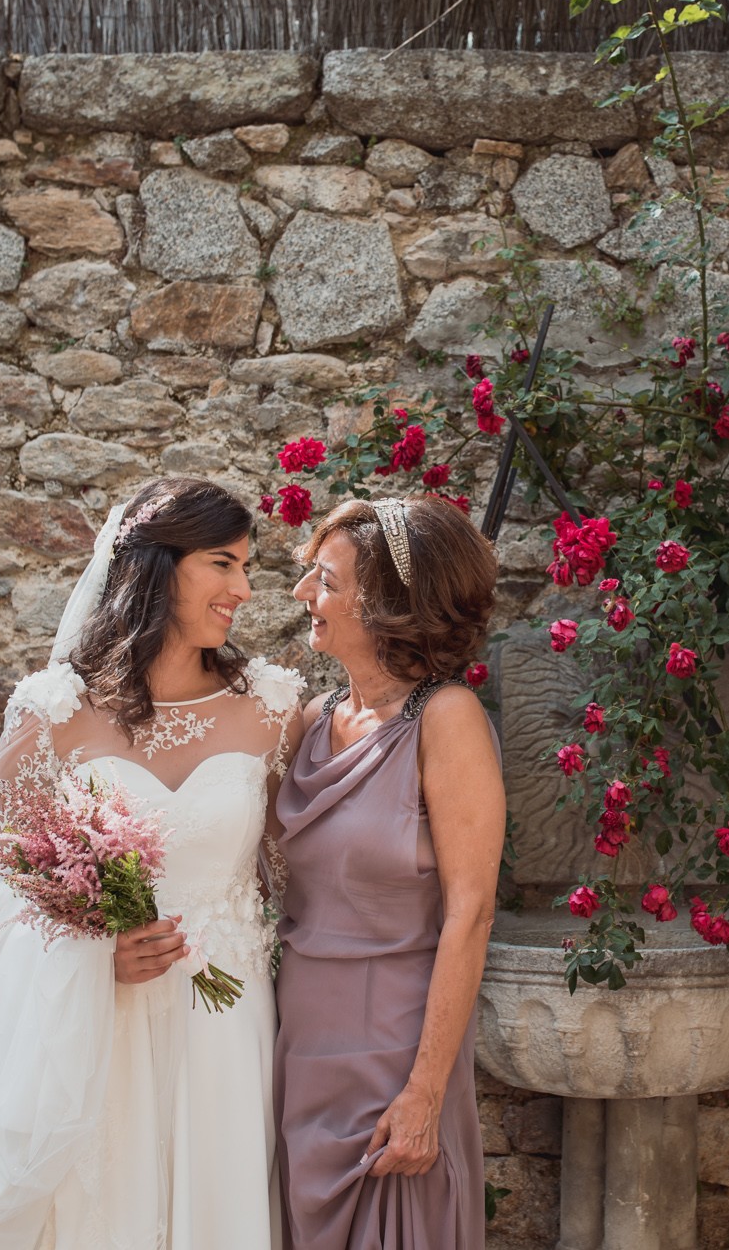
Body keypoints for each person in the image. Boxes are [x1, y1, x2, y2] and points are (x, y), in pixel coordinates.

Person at [0, 477, 304, 1250]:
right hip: (99, 1024)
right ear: (159, 567)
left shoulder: (274, 706)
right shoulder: (53, 709)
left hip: (227, 1024)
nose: (245, 589)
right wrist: (90, 951)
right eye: (222, 564)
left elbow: (295, 878)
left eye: (245, 566)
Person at [274, 496, 506, 1249]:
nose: (302, 594)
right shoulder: (309, 719)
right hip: (296, 1049)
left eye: (326, 580)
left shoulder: (447, 718)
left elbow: (470, 911)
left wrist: (425, 1090)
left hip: (393, 1056)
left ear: (390, 604)